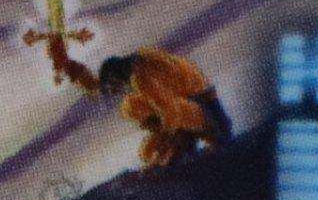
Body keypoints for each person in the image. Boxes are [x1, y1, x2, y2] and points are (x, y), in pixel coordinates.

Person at [44, 36, 232, 170]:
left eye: (115, 87)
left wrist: (166, 143)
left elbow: (171, 109)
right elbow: (99, 87)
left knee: (152, 142)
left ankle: (191, 140)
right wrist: (68, 66)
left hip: (202, 107)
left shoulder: (140, 76)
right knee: (131, 109)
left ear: (117, 79)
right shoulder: (137, 66)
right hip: (189, 107)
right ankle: (184, 142)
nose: (115, 92)